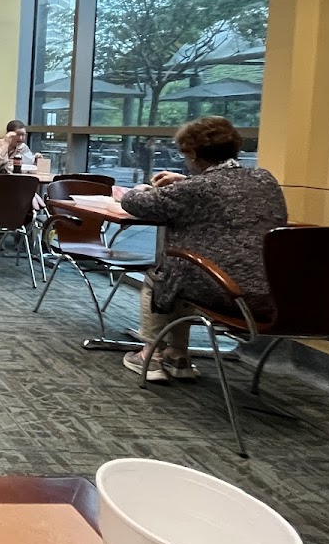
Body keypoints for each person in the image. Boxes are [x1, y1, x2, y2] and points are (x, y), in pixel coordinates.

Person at [116, 117, 287, 382]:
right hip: (276, 292)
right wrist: (185, 181)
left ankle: (150, 354)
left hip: (229, 292)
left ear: (193, 153)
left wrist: (134, 191)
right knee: (184, 272)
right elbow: (222, 192)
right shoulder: (264, 179)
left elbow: (138, 204)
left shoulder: (196, 188)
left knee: (163, 277)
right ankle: (178, 355)